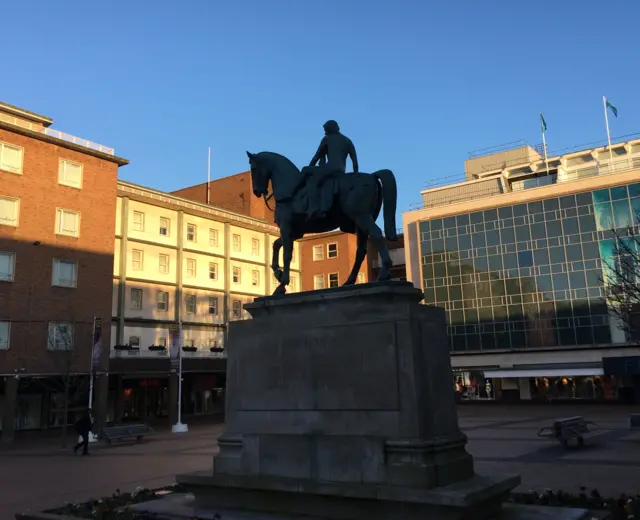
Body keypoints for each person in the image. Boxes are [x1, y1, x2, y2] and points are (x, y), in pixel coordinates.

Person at [303, 120, 359, 219]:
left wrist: (310, 167)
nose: (325, 132)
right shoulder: (347, 140)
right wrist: (355, 175)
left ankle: (313, 208)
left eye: (325, 130)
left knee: (312, 182)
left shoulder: (327, 139)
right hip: (341, 169)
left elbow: (317, 156)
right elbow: (354, 161)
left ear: (330, 129)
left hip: (329, 167)